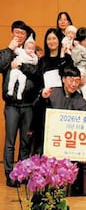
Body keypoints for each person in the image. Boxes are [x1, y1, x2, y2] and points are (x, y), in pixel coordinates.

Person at [1, 20, 39, 187]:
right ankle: (10, 175)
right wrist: (10, 49)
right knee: (10, 142)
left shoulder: (32, 53)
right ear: (12, 33)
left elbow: (36, 73)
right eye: (16, 32)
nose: (19, 36)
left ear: (26, 36)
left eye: (22, 33)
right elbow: (1, 65)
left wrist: (20, 65)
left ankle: (22, 174)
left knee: (25, 142)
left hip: (28, 105)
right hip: (11, 106)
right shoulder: (7, 52)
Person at [8, 36, 38, 101]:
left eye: (32, 49)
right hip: (16, 69)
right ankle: (10, 90)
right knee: (12, 79)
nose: (30, 50)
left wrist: (34, 56)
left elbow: (35, 62)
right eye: (29, 48)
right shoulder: (22, 51)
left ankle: (19, 93)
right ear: (25, 48)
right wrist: (15, 43)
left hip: (23, 73)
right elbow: (15, 50)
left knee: (23, 81)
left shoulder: (33, 57)